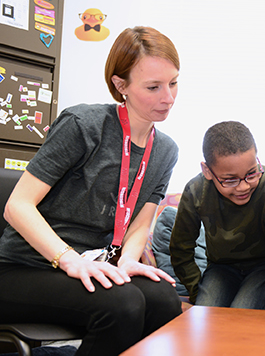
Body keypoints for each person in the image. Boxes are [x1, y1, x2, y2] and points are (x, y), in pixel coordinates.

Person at [0, 26, 182, 356]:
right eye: (153, 87)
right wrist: (68, 259)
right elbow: (17, 206)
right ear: (120, 85)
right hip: (26, 266)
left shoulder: (165, 150)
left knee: (164, 300)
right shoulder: (83, 126)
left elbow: (141, 223)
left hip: (92, 264)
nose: (168, 97)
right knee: (122, 304)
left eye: (173, 82)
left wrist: (127, 259)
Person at [170, 121, 265, 310]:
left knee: (242, 312)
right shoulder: (195, 191)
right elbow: (180, 250)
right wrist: (196, 289)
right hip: (220, 269)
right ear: (207, 171)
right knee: (207, 314)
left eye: (251, 173)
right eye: (230, 180)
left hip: (262, 268)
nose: (243, 186)